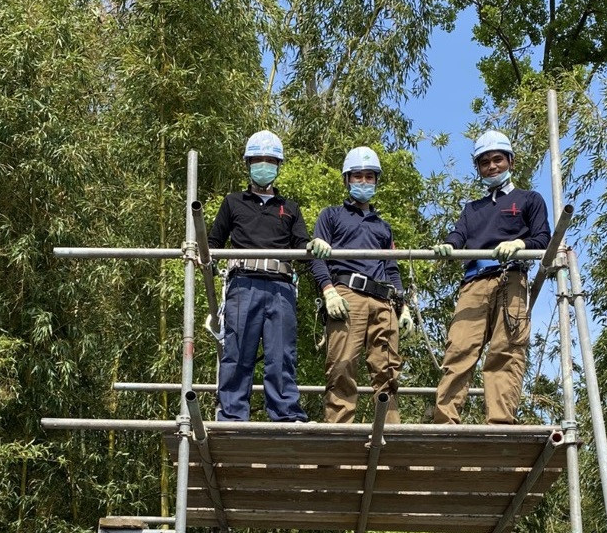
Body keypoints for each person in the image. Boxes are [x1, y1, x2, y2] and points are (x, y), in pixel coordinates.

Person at [432, 130, 551, 425]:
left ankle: (500, 422)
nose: (492, 166)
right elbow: (459, 234)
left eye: (497, 159)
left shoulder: (528, 200)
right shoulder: (473, 209)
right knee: (459, 348)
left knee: (505, 351)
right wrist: (449, 244)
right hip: (475, 281)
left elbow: (543, 238)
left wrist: (521, 244)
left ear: (510, 161)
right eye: (484, 163)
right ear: (479, 169)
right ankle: (445, 421)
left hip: (510, 279)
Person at [208, 130, 309, 422]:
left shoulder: (289, 208)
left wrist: (314, 245)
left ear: (278, 166)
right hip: (243, 284)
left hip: (280, 287)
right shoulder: (233, 202)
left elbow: (302, 244)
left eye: (270, 160)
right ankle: (232, 415)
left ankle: (286, 413)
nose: (263, 166)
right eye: (257, 160)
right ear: (248, 164)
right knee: (238, 352)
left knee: (281, 356)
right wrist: (206, 258)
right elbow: (214, 242)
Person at [308, 146, 414, 424]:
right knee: (342, 365)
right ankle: (339, 432)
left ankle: (389, 431)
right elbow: (318, 258)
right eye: (358, 176)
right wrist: (328, 290)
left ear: (376, 181)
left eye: (369, 176)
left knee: (387, 370)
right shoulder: (331, 216)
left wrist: (402, 306)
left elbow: (391, 267)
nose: (364, 182)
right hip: (347, 295)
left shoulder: (383, 226)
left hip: (383, 300)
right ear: (347, 180)